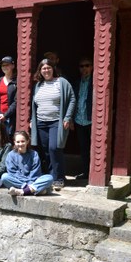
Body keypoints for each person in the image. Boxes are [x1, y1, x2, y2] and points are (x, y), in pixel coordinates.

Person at [31, 59, 76, 191]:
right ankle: (51, 176)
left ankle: (59, 178)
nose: (46, 70)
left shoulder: (61, 82)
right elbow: (34, 104)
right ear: (40, 71)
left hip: (56, 121)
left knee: (54, 148)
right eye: (43, 68)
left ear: (53, 69)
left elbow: (72, 99)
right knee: (45, 150)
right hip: (40, 122)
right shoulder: (38, 85)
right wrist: (32, 120)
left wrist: (67, 117)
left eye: (48, 68)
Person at [1, 130, 54, 196]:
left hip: (32, 181)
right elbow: (13, 173)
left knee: (49, 178)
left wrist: (29, 182)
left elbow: (35, 172)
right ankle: (33, 190)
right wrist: (26, 184)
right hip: (19, 182)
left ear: (27, 141)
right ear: (14, 142)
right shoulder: (10, 155)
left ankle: (21, 191)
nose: (20, 144)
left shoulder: (34, 154)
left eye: (23, 141)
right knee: (4, 177)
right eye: (18, 142)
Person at [73, 57, 93, 180]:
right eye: (82, 66)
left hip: (92, 120)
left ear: (92, 67)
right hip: (79, 121)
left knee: (94, 148)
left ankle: (94, 174)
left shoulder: (96, 82)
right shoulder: (76, 82)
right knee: (84, 149)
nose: (84, 68)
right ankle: (86, 173)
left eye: (87, 65)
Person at [0, 56, 17, 136]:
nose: (5, 67)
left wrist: (5, 115)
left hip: (10, 117)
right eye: (3, 65)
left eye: (7, 65)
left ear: (13, 66)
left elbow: (16, 101)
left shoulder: (16, 82)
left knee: (8, 138)